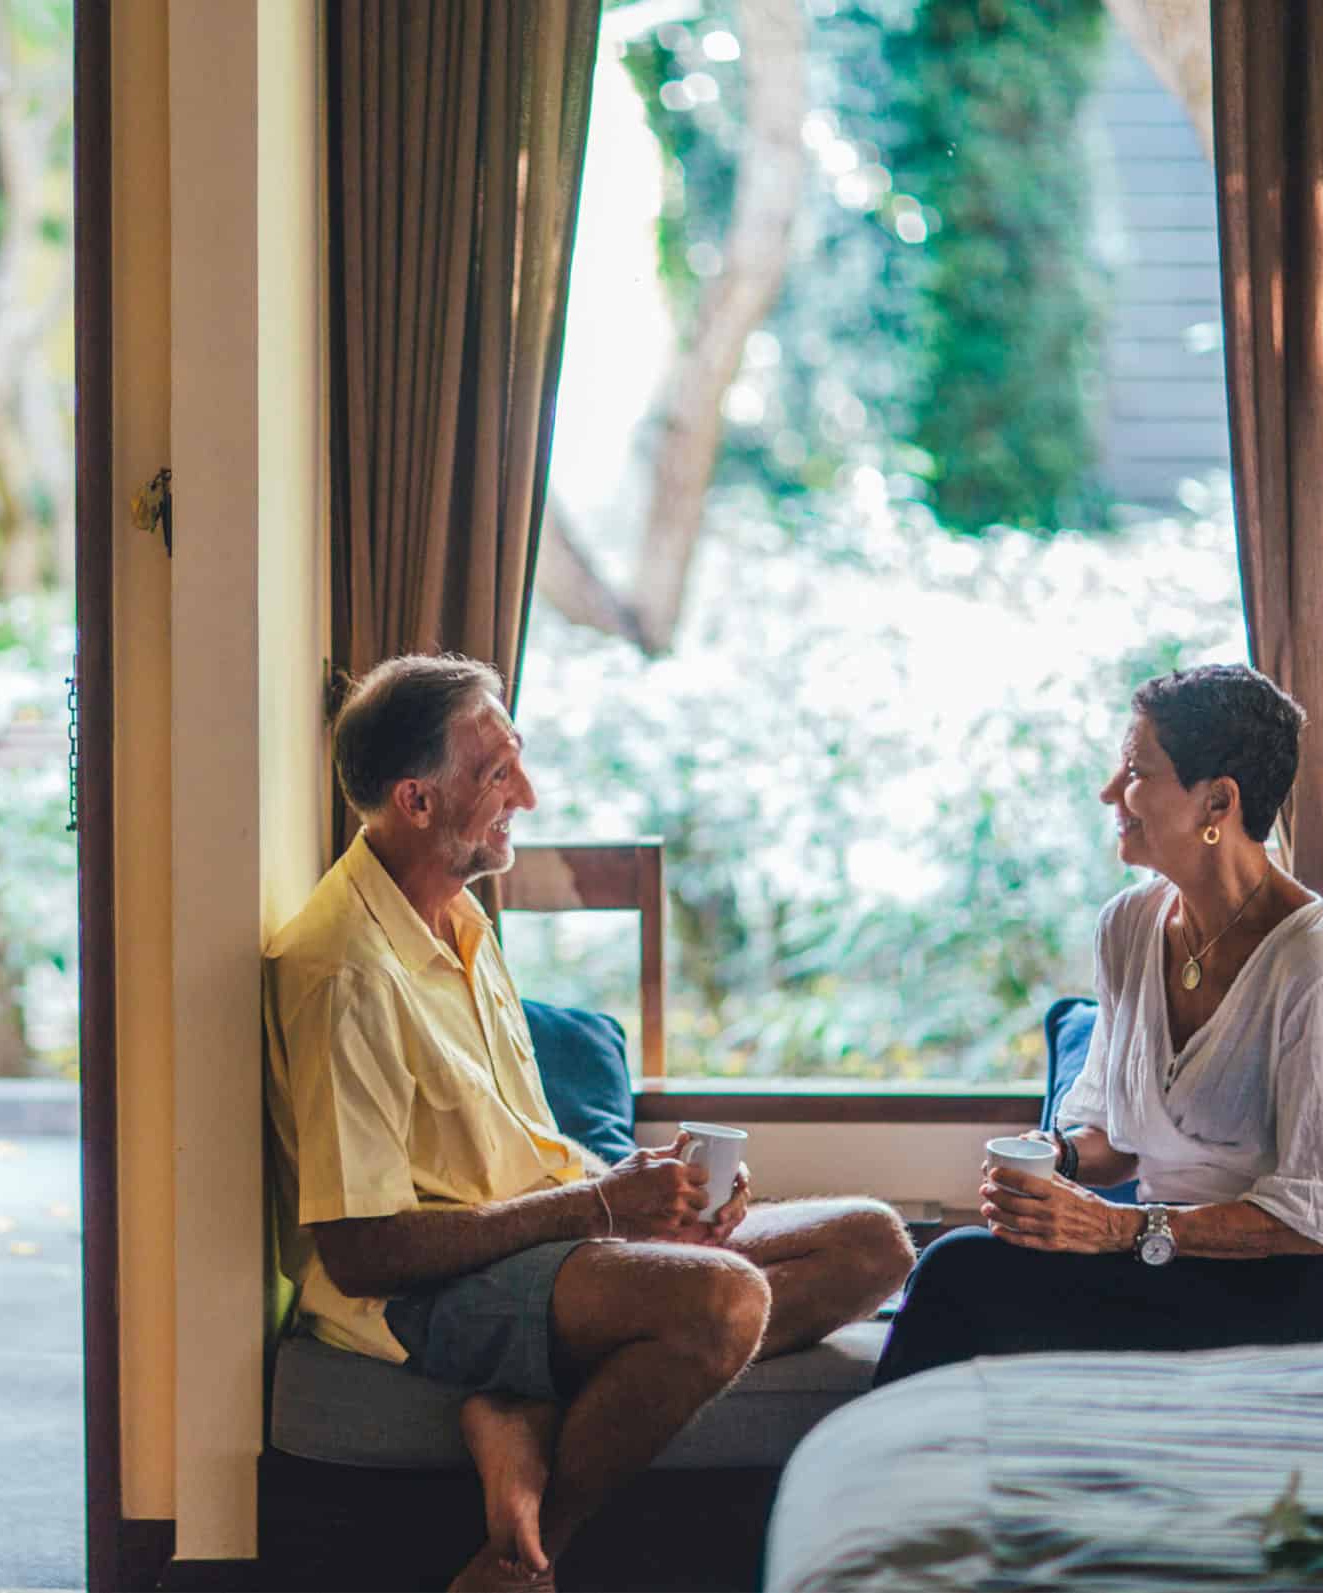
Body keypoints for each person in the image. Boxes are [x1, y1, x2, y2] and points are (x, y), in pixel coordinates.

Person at [267, 653, 914, 1592]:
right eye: (497, 774)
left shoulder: (459, 918)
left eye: (516, 760)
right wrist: (599, 1211)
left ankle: (519, 1403)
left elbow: (515, 1143)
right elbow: (363, 1253)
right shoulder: (344, 973)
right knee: (723, 1301)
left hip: (540, 1243)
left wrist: (655, 1189)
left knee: (872, 1244)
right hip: (421, 1295)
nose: (525, 793)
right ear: (414, 800)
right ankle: (523, 1555)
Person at [872, 664, 1323, 1387]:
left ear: (1217, 800)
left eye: (1137, 771)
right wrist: (1052, 1158)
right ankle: (943, 1479)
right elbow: (1114, 1139)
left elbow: (1317, 1217)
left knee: (961, 1272)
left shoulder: (1314, 957)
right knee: (963, 1265)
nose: (1112, 792)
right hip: (1166, 1251)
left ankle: (900, 1486)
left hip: (1289, 1285)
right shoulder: (1128, 924)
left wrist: (1116, 1229)